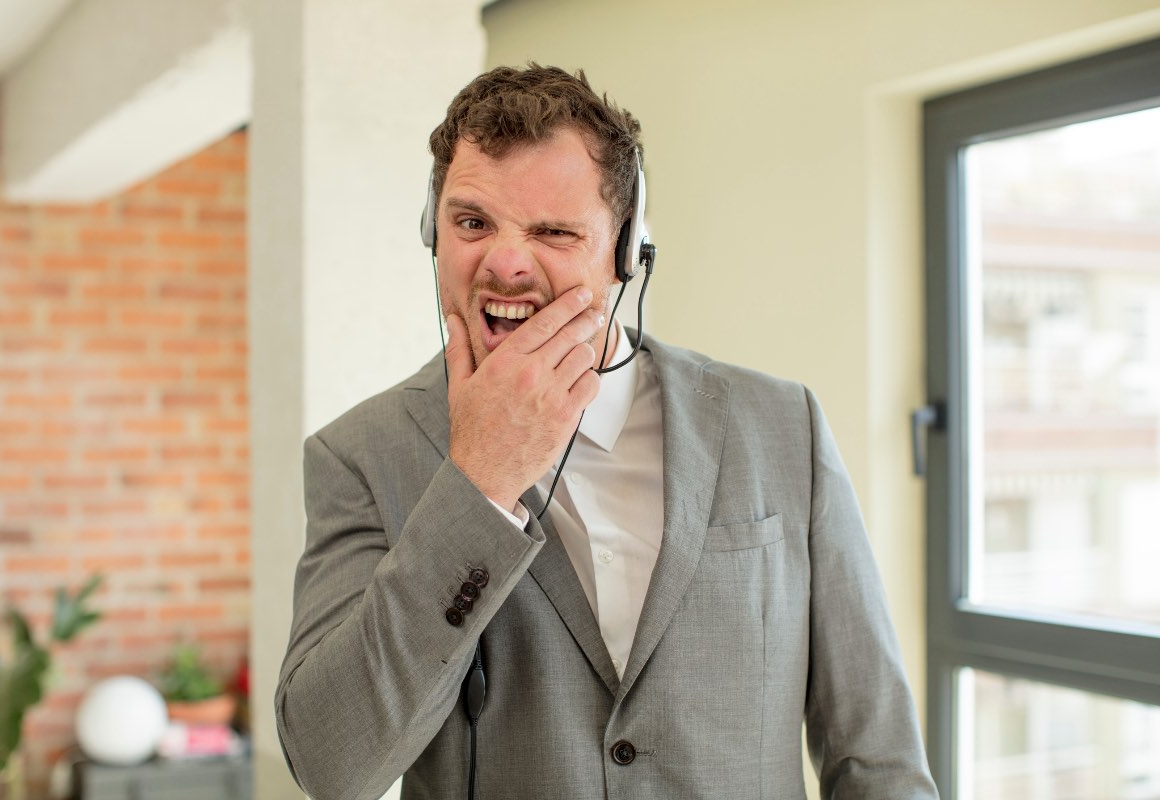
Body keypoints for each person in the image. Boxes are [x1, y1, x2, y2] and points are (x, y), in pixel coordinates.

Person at [276, 64, 939, 800]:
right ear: (434, 232)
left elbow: (878, 761)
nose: (503, 262)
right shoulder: (358, 456)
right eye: (472, 223)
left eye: (553, 232)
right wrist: (479, 485)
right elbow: (332, 766)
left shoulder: (782, 427)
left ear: (627, 252)